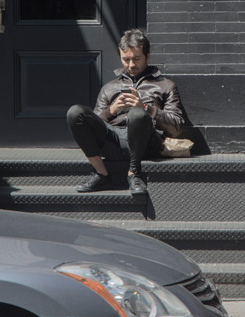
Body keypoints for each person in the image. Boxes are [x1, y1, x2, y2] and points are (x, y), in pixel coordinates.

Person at [66, 29, 187, 195]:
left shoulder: (165, 85)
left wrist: (145, 108)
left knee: (136, 114)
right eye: (126, 59)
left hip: (146, 143)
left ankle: (134, 173)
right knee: (75, 112)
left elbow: (177, 127)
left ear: (148, 56)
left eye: (136, 59)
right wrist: (112, 110)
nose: (131, 65)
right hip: (113, 141)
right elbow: (94, 124)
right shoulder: (109, 88)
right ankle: (101, 174)